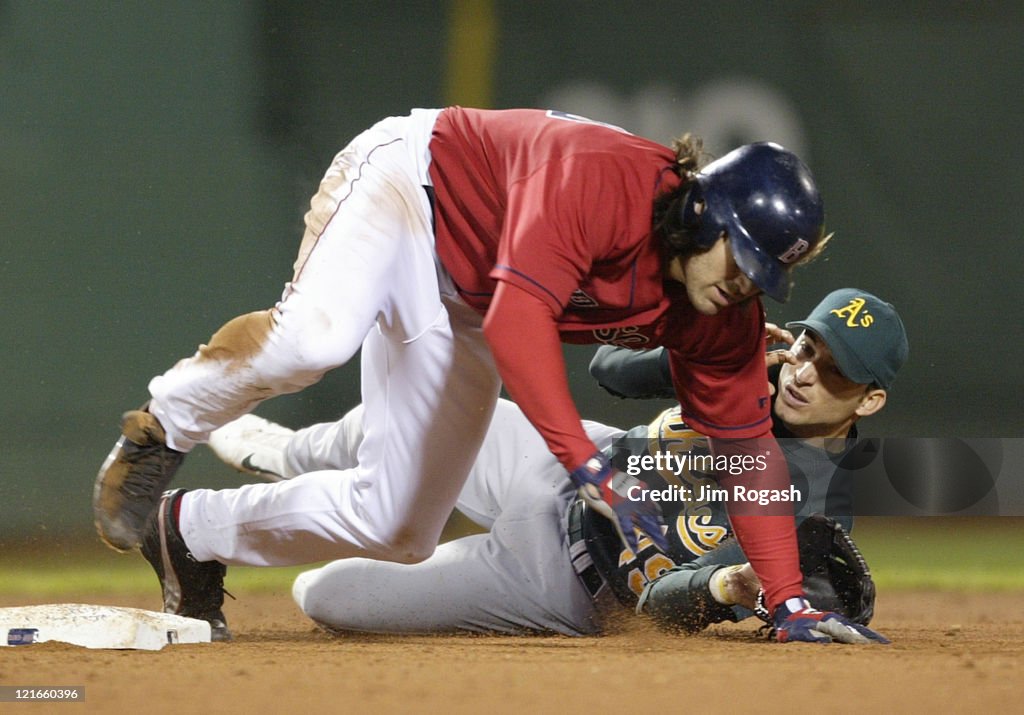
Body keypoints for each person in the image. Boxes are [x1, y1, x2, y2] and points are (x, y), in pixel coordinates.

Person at [93, 107, 832, 643]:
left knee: (400, 525)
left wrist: (789, 596)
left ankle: (190, 530)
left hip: (467, 299)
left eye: (766, 275)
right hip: (410, 188)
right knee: (313, 340)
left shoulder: (718, 315)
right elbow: (521, 321)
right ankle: (163, 427)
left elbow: (750, 453)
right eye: (742, 259)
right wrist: (585, 463)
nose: (746, 287)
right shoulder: (605, 179)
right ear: (701, 213)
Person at [208, 288, 907, 641]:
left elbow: (656, 604)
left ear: (868, 399)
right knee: (410, 418)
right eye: (810, 346)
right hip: (569, 459)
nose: (806, 371)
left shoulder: (791, 502)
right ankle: (284, 453)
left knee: (326, 596)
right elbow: (607, 366)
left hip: (560, 581)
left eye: (835, 370)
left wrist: (726, 584)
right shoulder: (748, 375)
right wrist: (701, 355)